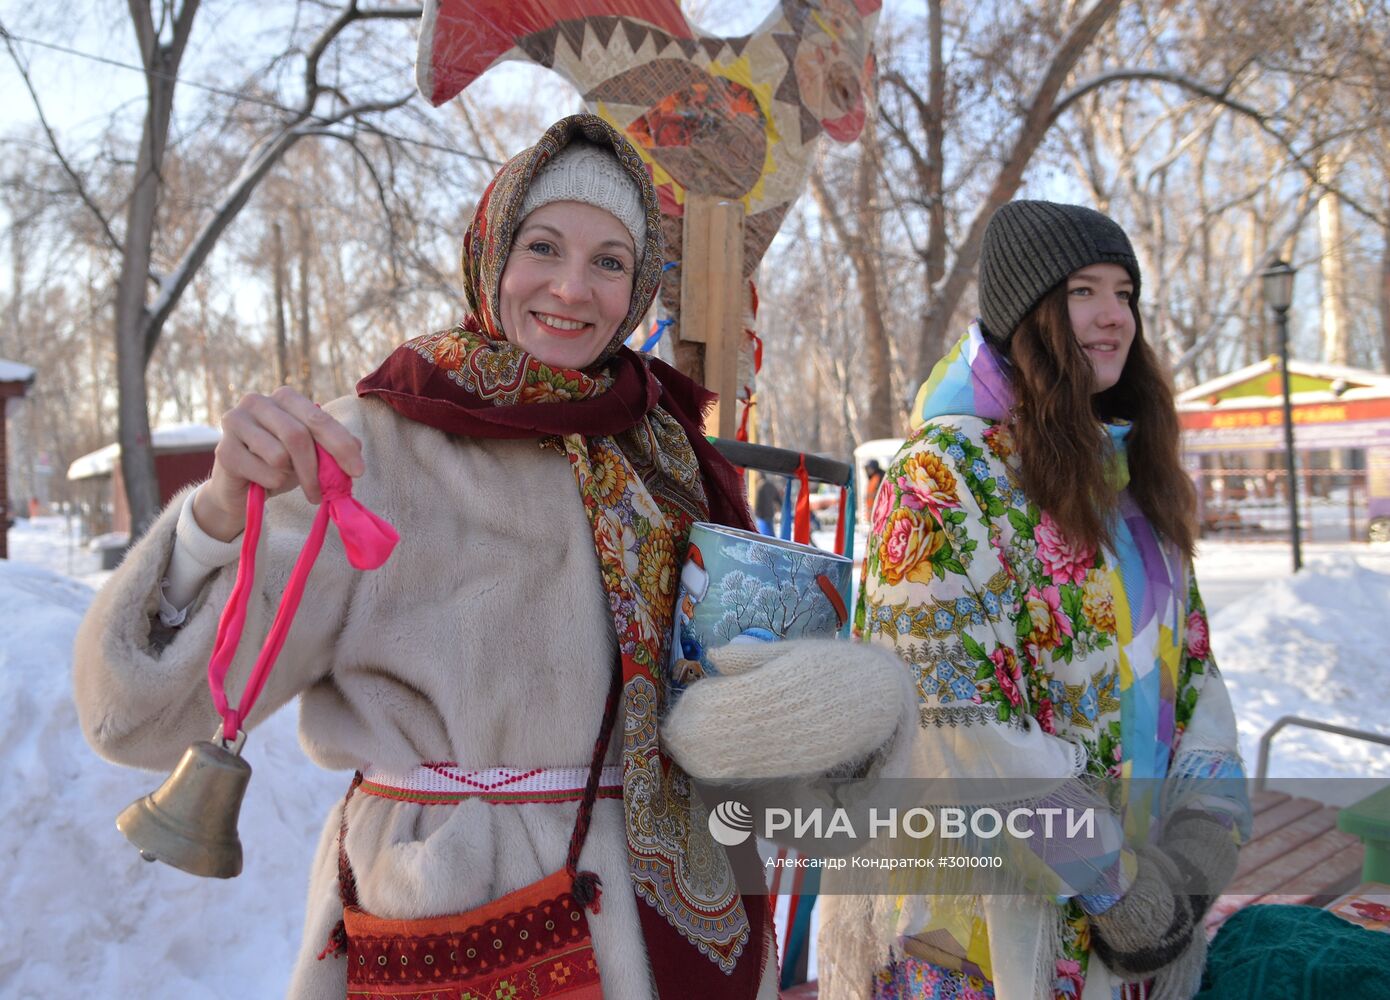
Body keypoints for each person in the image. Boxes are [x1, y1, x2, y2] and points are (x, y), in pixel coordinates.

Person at [72, 114, 915, 1000]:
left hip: (672, 940)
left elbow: (720, 721)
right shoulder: (376, 446)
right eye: (542, 246)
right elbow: (136, 718)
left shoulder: (664, 457)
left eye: (609, 261)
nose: (572, 288)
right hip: (455, 923)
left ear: (638, 288)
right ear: (491, 251)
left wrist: (822, 709)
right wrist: (213, 518)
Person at [821, 201, 1250, 1000]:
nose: (1114, 316)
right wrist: (1113, 884)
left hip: (1135, 932)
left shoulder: (1129, 480)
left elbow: (1193, 668)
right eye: (1084, 291)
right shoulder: (945, 477)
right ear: (1028, 314)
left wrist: (1202, 838)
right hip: (986, 932)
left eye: (1125, 293)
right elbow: (955, 721)